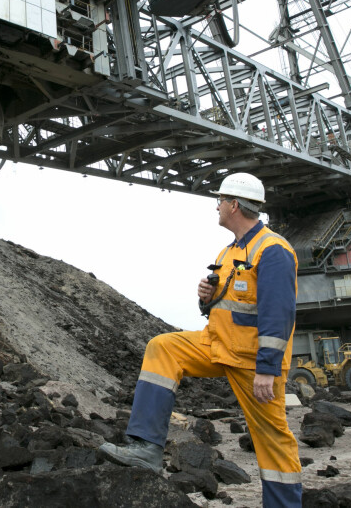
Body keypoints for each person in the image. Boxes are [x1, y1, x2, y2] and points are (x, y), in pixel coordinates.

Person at [99, 172, 302, 507]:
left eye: (220, 200)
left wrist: (268, 369)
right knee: (163, 347)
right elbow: (223, 306)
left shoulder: (273, 250)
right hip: (217, 344)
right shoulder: (229, 252)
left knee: (273, 440)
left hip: (253, 360)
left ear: (234, 205)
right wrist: (205, 298)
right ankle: (146, 449)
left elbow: (278, 313)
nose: (217, 207)